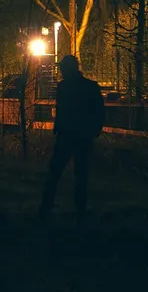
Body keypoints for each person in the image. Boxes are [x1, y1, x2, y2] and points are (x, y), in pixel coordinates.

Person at [39, 54, 106, 223]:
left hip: (67, 135)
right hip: (83, 136)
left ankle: (46, 207)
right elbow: (99, 111)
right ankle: (79, 210)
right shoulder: (89, 87)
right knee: (80, 174)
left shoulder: (64, 86)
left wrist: (58, 127)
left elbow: (61, 109)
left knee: (55, 172)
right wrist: (94, 130)